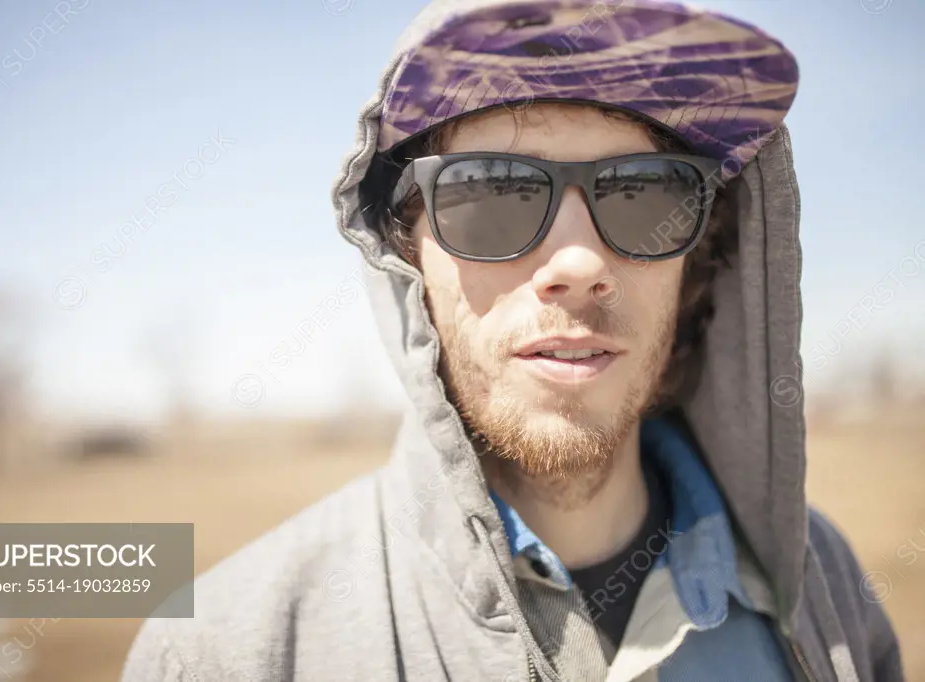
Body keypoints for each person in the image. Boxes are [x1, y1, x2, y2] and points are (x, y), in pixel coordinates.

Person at [122, 1, 904, 680]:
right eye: (491, 193)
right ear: (408, 259)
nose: (577, 264)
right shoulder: (235, 651)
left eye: (641, 193)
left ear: (693, 259)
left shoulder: (821, 580)